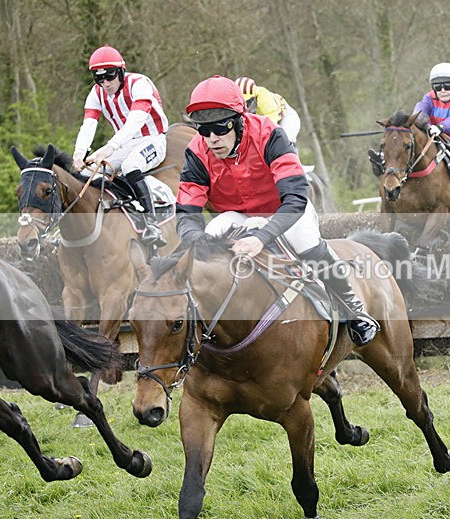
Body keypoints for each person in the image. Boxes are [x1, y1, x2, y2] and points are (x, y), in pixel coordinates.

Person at [176, 75, 378, 347]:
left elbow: (295, 197)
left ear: (238, 120)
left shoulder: (271, 134)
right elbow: (187, 215)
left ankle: (355, 310)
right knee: (206, 243)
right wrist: (197, 242)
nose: (212, 139)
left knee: (306, 243)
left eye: (220, 128)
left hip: (285, 210)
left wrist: (262, 237)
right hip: (238, 215)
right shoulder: (196, 152)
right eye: (204, 130)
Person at [72, 45, 168, 247]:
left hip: (152, 138)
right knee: (94, 173)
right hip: (125, 142)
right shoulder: (96, 93)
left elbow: (136, 120)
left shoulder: (139, 83)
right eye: (99, 78)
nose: (105, 83)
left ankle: (152, 225)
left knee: (131, 166)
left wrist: (110, 146)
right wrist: (79, 153)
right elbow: (89, 124)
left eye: (110, 76)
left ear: (121, 72)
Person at [368, 62, 450, 185]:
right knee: (412, 141)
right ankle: (383, 159)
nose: (443, 90)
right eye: (438, 87)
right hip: (434, 133)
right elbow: (420, 111)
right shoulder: (429, 97)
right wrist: (418, 124)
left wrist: (441, 127)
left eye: (448, 86)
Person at [235, 76, 301, 145]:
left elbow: (270, 130)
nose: (245, 106)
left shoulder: (266, 102)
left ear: (255, 97)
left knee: (284, 142)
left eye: (248, 102)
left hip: (286, 117)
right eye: (241, 101)